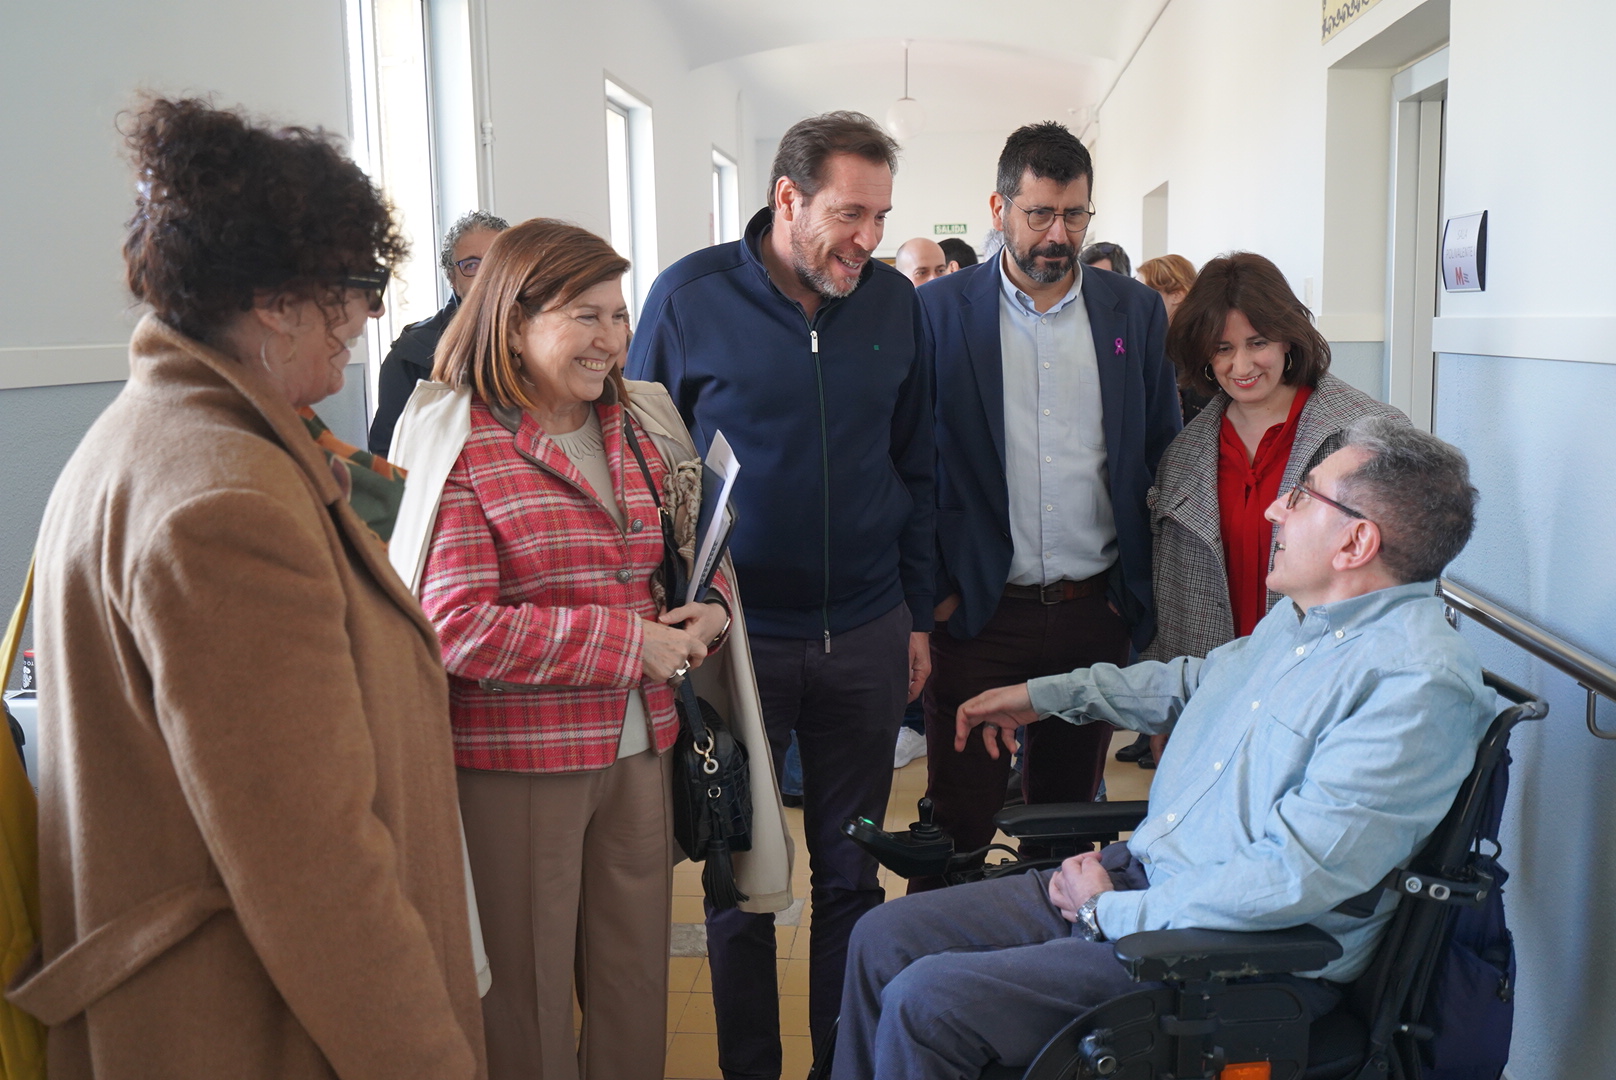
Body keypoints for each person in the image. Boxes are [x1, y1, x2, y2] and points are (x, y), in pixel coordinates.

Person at [17, 98, 485, 1078]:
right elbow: (316, 870)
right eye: (356, 288)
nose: (367, 319)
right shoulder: (228, 505)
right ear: (275, 298)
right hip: (253, 1023)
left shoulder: (161, 438)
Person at [833, 418, 1496, 1080]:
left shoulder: (1416, 685)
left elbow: (1296, 877)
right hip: (1148, 884)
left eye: (1301, 496)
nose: (1275, 510)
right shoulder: (1306, 621)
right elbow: (1195, 683)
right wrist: (1047, 695)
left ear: (1356, 541)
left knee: (929, 1003)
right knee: (885, 937)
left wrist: (1106, 911)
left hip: (1229, 957)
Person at [626, 110, 935, 1080]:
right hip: (737, 641)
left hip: (869, 631)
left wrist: (916, 612)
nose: (868, 239)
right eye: (850, 215)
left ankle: (840, 1066)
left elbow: (917, 462)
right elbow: (642, 469)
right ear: (787, 198)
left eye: (881, 218)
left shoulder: (893, 304)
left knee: (851, 874)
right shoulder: (689, 299)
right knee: (740, 882)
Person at [400, 220, 741, 1080]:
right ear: (513, 322)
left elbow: (694, 549)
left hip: (644, 747)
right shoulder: (465, 442)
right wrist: (627, 643)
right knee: (528, 996)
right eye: (585, 315)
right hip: (520, 763)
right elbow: (455, 625)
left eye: (618, 316)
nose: (610, 339)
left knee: (634, 979)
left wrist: (712, 611)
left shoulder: (639, 425)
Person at [916, 121, 1180, 889]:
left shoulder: (1133, 312)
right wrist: (935, 597)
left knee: (1068, 819)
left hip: (1090, 612)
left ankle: (1051, 952)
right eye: (1039, 214)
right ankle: (944, 953)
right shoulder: (937, 312)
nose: (1058, 235)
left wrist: (1135, 600)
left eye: (1074, 215)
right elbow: (913, 463)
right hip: (978, 616)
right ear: (998, 208)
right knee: (959, 820)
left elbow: (1160, 449)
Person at [1131, 252, 1406, 771]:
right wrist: (1164, 712)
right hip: (1214, 704)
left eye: (1257, 343)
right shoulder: (1184, 455)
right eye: (1223, 348)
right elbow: (1171, 600)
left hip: (1329, 707)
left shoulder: (1369, 436)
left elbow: (1406, 586)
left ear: (1287, 339)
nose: (1241, 366)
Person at [368, 209, 509, 457]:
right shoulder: (411, 355)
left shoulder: (547, 342)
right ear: (452, 279)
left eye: (498, 261)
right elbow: (388, 453)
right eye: (471, 265)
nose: (487, 276)